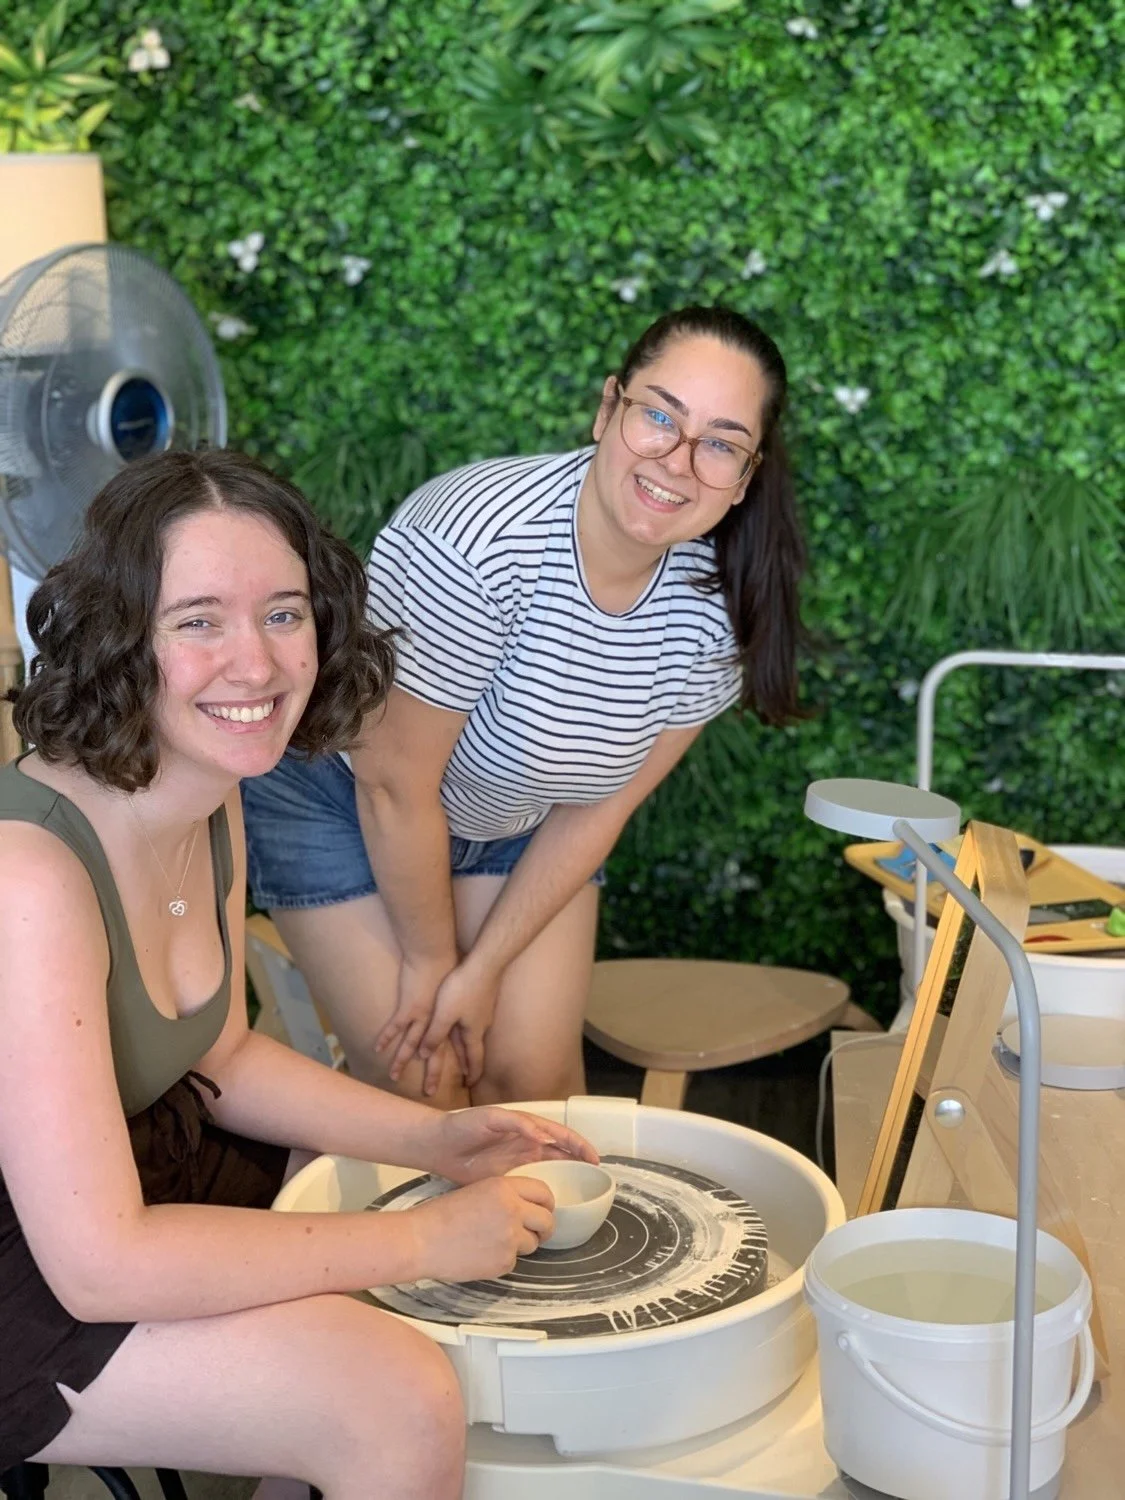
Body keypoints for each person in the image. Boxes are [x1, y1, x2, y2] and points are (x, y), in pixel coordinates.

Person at [0, 449, 596, 1500]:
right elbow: (98, 1264)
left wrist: (433, 1137)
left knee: (397, 1314)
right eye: (198, 621)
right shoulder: (29, 877)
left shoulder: (211, 782)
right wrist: (418, 1236)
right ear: (118, 639)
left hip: (137, 1172)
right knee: (395, 1397)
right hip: (37, 1263)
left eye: (284, 614)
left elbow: (221, 1051)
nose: (258, 666)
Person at [241, 304, 808, 1108]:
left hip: (514, 822)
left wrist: (484, 970)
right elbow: (393, 786)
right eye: (657, 416)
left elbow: (603, 807)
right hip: (342, 800)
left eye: (719, 443)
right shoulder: (475, 542)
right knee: (425, 1087)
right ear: (607, 407)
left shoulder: (719, 606)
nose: (677, 461)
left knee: (533, 1088)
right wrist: (435, 968)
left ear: (744, 476)